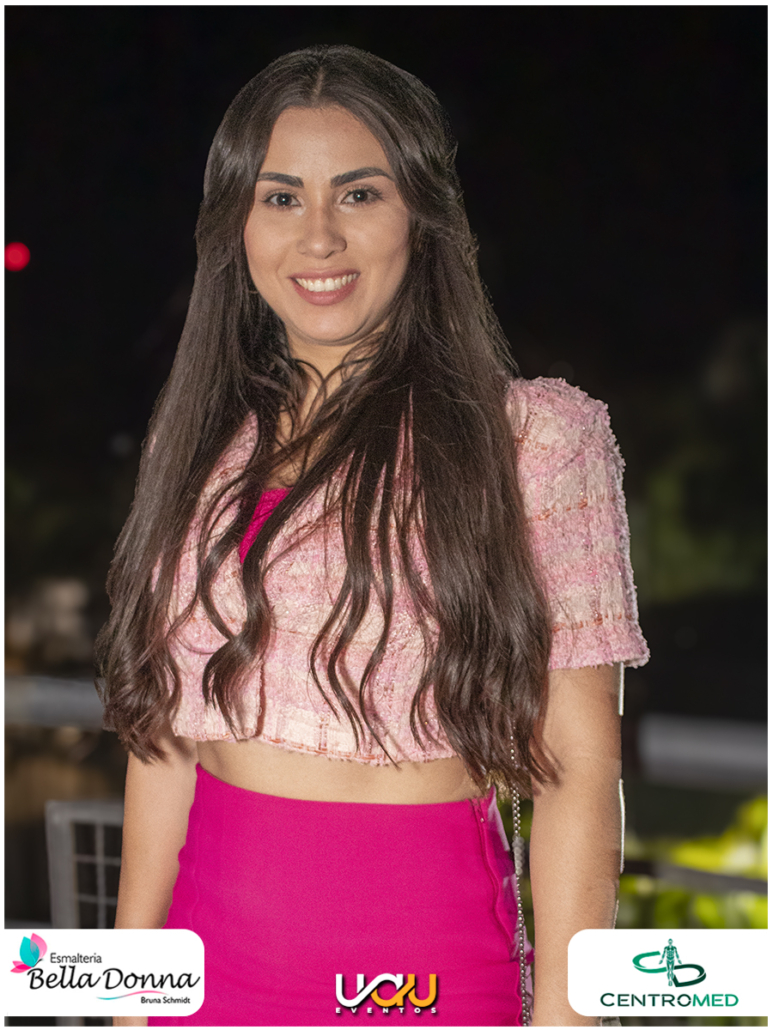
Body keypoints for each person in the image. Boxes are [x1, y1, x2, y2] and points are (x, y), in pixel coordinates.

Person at [97, 44, 649, 1028]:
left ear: (421, 216)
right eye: (280, 198)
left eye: (357, 194)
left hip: (421, 986)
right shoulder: (201, 448)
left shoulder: (532, 441)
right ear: (236, 225)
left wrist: (567, 1017)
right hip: (207, 979)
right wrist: (125, 999)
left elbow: (577, 762)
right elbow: (165, 744)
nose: (317, 235)